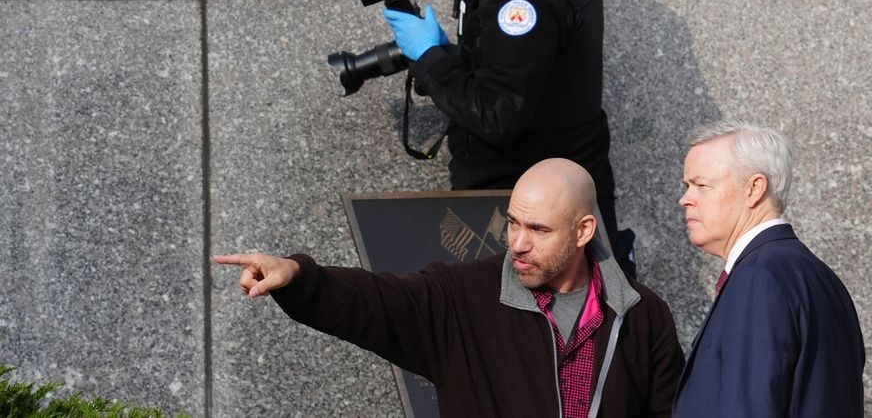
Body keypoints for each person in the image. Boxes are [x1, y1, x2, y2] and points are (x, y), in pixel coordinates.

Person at [215, 158, 684, 417]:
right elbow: (376, 303)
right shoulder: (461, 297)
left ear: (583, 231)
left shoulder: (643, 315)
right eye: (513, 223)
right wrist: (299, 276)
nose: (517, 243)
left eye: (539, 230)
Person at [381, 0, 637, 279]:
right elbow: (520, 75)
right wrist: (448, 55)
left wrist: (429, 57)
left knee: (524, 341)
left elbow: (498, 114)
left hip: (527, 217)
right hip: (550, 204)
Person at [672, 119, 866, 417]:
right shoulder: (819, 276)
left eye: (701, 185)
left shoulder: (758, 279)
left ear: (754, 189)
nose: (685, 199)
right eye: (687, 186)